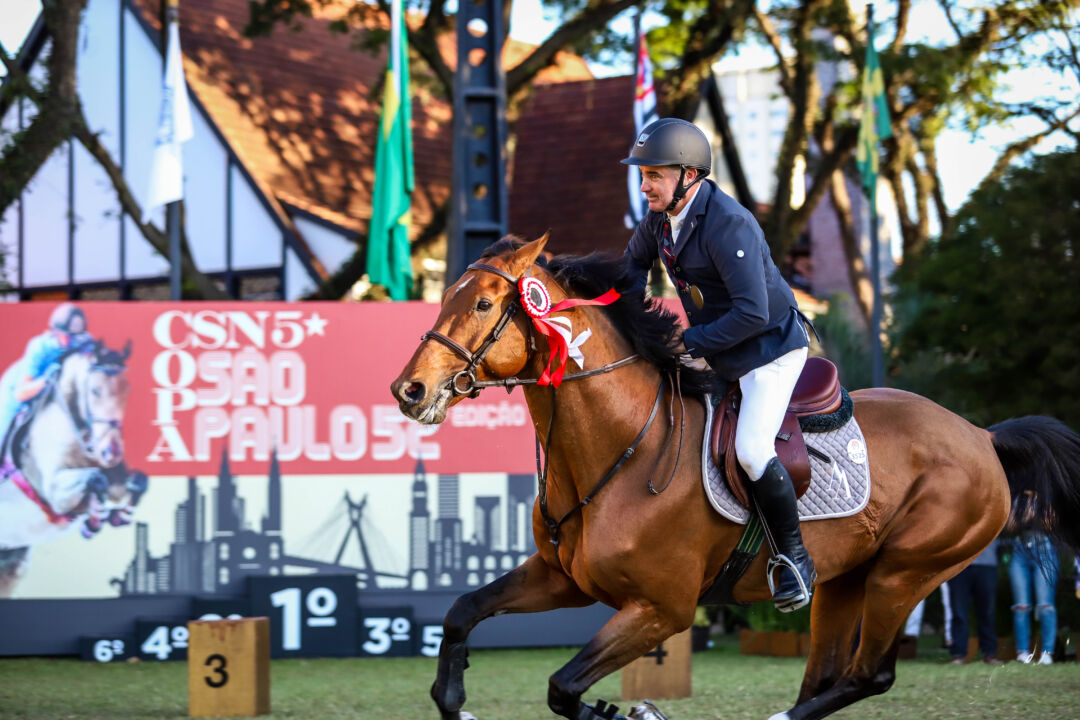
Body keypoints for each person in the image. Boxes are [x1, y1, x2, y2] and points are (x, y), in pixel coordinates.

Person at [622, 118, 813, 612]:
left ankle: (795, 558)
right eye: (643, 175)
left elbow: (753, 313)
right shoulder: (661, 219)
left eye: (654, 175)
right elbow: (630, 270)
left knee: (751, 450)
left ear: (689, 175)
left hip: (768, 350)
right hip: (721, 350)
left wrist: (689, 341)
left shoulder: (729, 223)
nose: (644, 187)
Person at [0, 303, 92, 451]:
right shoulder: (40, 347)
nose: (72, 342)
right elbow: (20, 393)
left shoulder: (84, 342)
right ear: (55, 332)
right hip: (18, 389)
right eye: (67, 336)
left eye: (76, 337)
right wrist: (46, 381)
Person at [1006, 491, 1060, 664]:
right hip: (1020, 552)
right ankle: (1023, 653)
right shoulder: (1019, 499)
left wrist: (1034, 511)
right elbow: (1009, 526)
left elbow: (1051, 524)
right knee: (1021, 606)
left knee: (1045, 607)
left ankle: (1047, 653)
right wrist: (1025, 514)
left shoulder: (1047, 496)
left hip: (1044, 552)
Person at [948, 538, 1003, 665]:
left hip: (987, 564)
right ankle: (958, 655)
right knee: (959, 612)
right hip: (958, 564)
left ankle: (989, 654)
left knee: (987, 612)